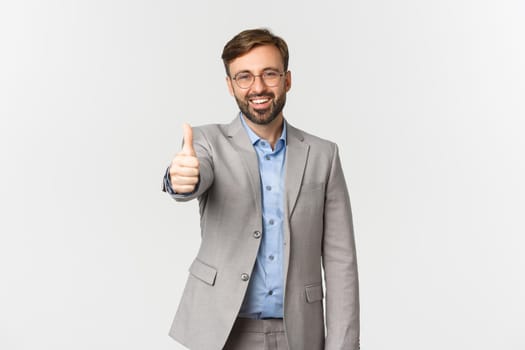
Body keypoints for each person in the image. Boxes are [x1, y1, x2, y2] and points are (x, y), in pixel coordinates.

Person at [162, 28, 359, 350]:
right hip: (221, 331)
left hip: (299, 332)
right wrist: (180, 180)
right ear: (230, 85)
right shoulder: (206, 142)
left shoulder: (324, 155)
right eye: (244, 77)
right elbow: (193, 178)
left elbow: (341, 261)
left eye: (269, 74)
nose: (258, 87)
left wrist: (344, 344)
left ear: (287, 80)